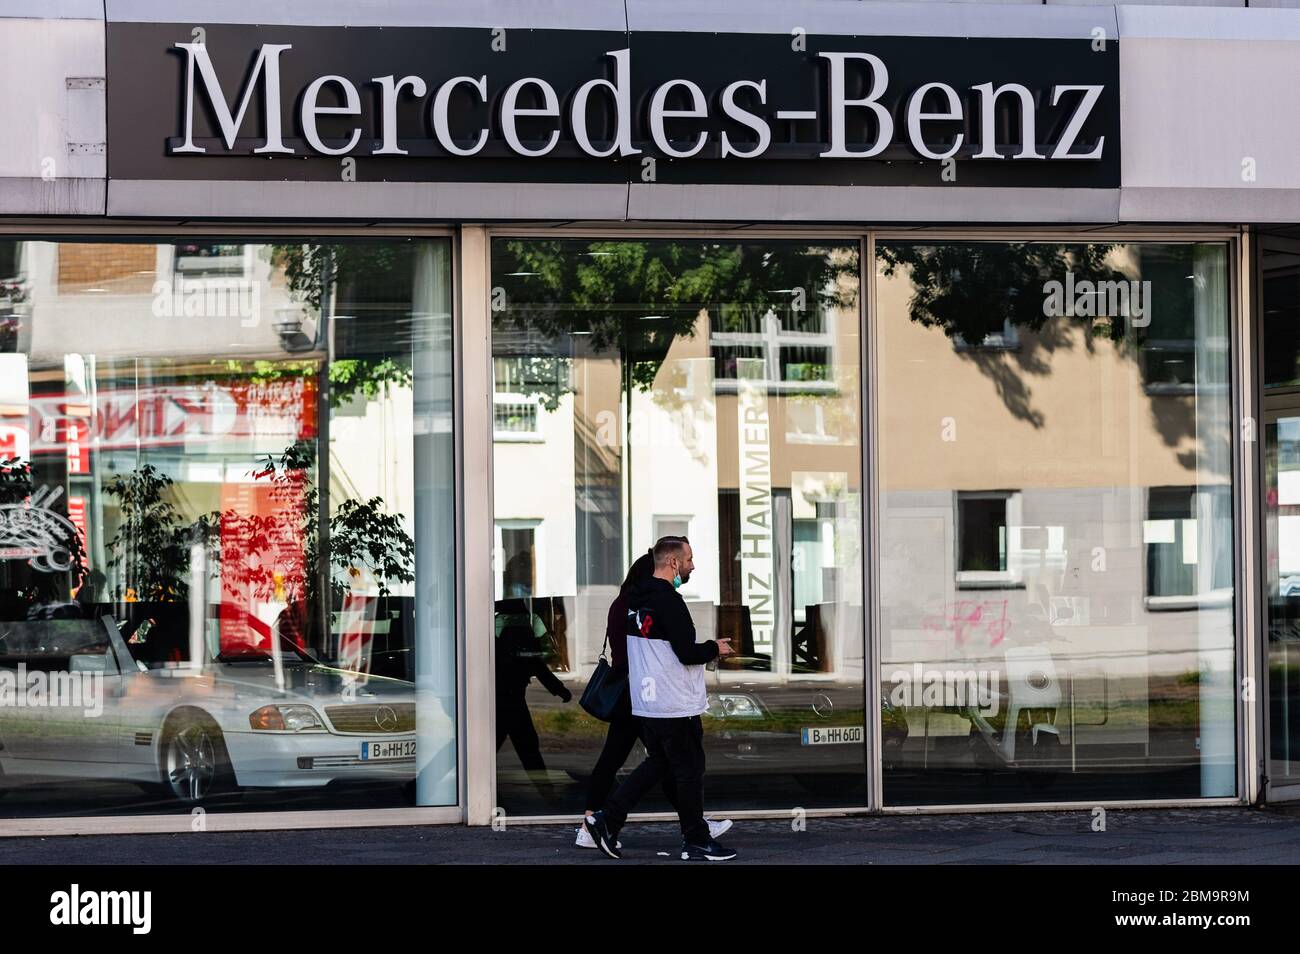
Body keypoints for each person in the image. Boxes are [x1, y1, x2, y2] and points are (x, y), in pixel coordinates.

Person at [584, 536, 737, 861]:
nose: (692, 565)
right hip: (674, 701)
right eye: (690, 559)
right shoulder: (668, 601)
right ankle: (693, 838)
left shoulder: (634, 602)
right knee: (688, 769)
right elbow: (685, 652)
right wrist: (715, 648)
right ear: (673, 563)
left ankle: (608, 820)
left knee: (662, 764)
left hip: (647, 701)